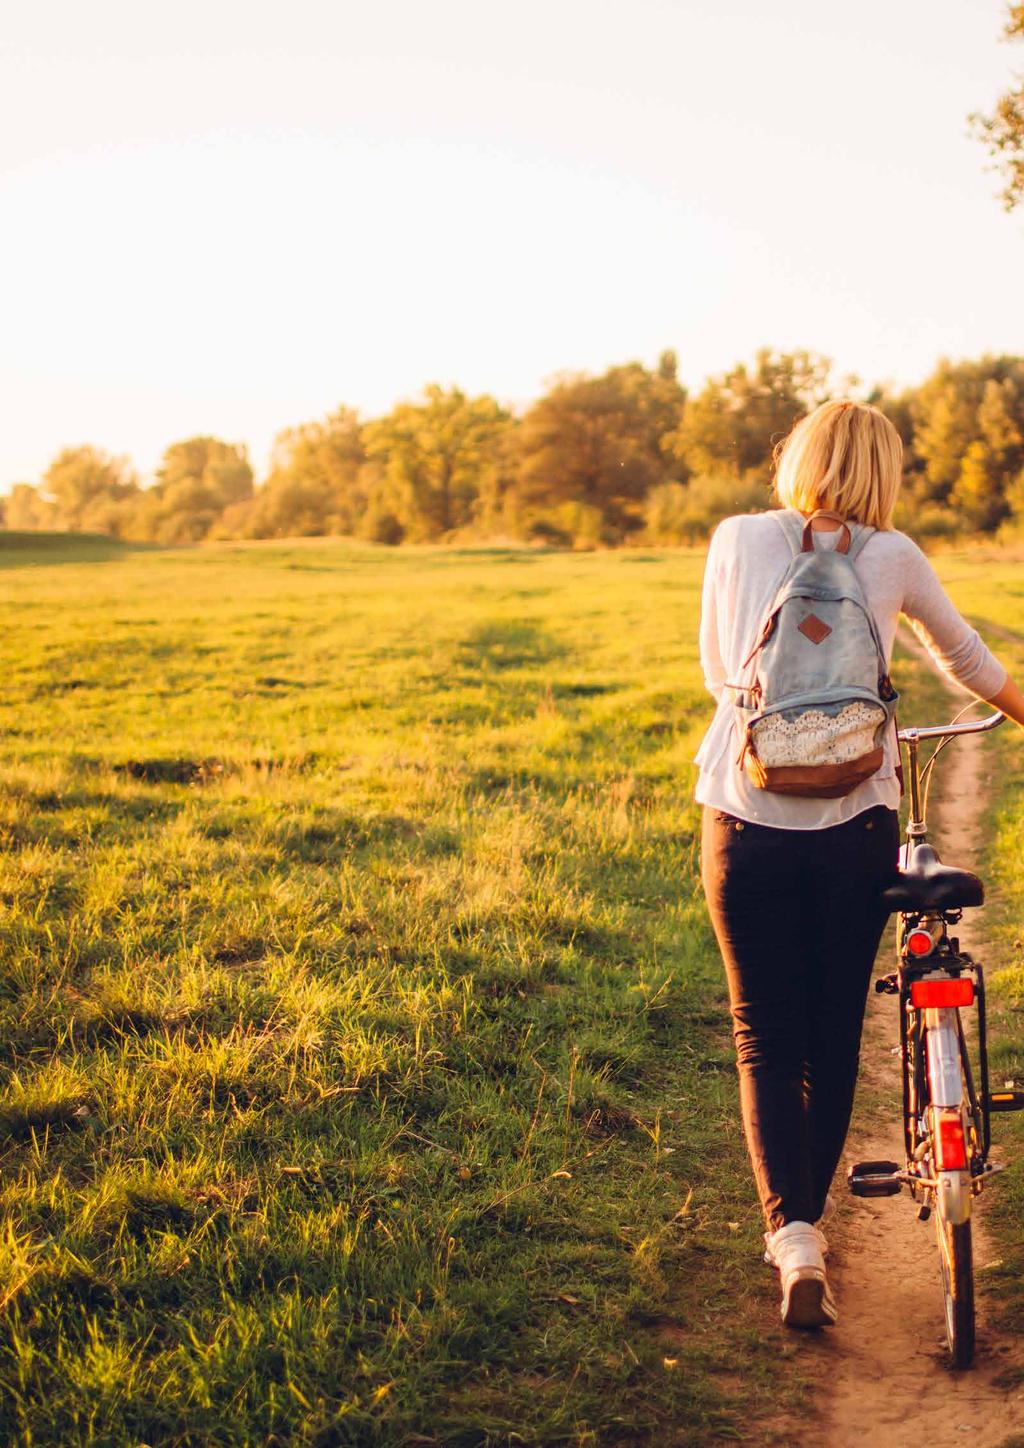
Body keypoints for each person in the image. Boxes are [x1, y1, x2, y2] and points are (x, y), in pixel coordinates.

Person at [695, 399, 1024, 1329]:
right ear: (884, 470)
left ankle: (794, 1240)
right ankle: (816, 1213)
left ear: (796, 458)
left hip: (745, 816)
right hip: (854, 826)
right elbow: (967, 660)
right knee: (832, 1034)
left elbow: (719, 671)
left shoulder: (735, 538)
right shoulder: (892, 555)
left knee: (763, 1035)